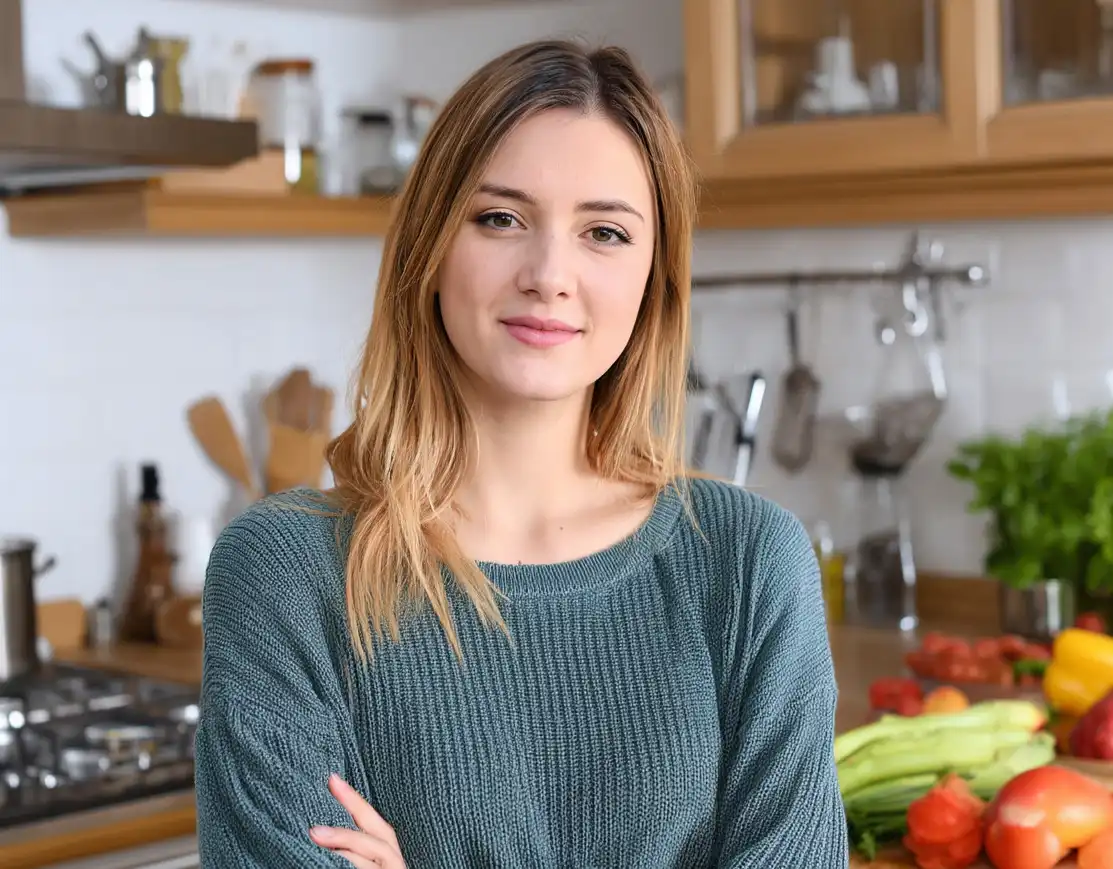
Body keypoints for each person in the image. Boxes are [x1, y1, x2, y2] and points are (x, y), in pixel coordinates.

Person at [194, 38, 847, 869]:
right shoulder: (285, 573)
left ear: (653, 279)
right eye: (499, 218)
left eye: (604, 232)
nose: (548, 274)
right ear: (431, 246)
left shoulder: (749, 561)